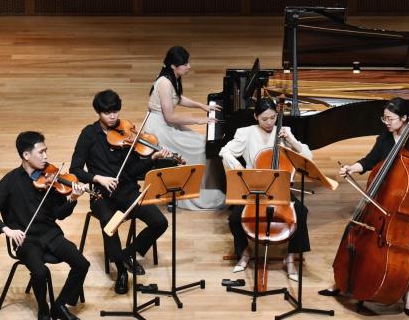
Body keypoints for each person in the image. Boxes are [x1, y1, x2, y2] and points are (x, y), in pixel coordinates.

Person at [318, 97, 409, 318]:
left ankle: (408, 293)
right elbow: (369, 161)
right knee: (352, 230)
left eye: (390, 119)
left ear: (404, 118)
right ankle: (342, 281)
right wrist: (352, 168)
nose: (386, 122)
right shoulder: (385, 138)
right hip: (382, 201)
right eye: (384, 118)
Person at [70, 89, 174, 294]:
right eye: (107, 112)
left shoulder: (127, 133)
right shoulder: (88, 135)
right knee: (110, 225)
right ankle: (121, 271)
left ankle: (127, 254)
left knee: (160, 222)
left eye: (115, 111)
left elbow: (134, 172)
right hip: (102, 196)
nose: (112, 116)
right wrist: (97, 178)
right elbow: (75, 169)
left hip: (127, 191)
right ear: (98, 112)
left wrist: (150, 159)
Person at [0, 131, 89, 320]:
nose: (46, 157)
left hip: (51, 234)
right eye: (41, 152)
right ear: (26, 155)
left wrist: (72, 199)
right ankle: (43, 308)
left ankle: (60, 304)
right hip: (26, 240)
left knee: (82, 263)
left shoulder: (51, 177)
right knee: (40, 272)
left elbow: (60, 215)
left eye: (46, 151)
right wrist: (7, 230)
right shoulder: (10, 181)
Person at [219, 97, 312, 281]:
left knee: (301, 212)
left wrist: (291, 141)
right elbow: (225, 151)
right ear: (256, 117)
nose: (270, 123)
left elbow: (308, 157)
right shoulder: (245, 133)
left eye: (273, 118)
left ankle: (291, 257)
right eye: (264, 119)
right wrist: (240, 169)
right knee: (235, 219)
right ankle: (245, 251)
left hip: (279, 187)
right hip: (255, 188)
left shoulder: (284, 132)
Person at [143, 46, 225, 210]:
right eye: (184, 64)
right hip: (159, 129)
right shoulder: (165, 83)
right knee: (202, 147)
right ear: (173, 66)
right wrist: (198, 121)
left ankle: (212, 184)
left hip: (165, 124)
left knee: (202, 142)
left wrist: (201, 106)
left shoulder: (172, 76)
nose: (188, 67)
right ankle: (194, 189)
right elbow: (170, 117)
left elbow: (177, 98)